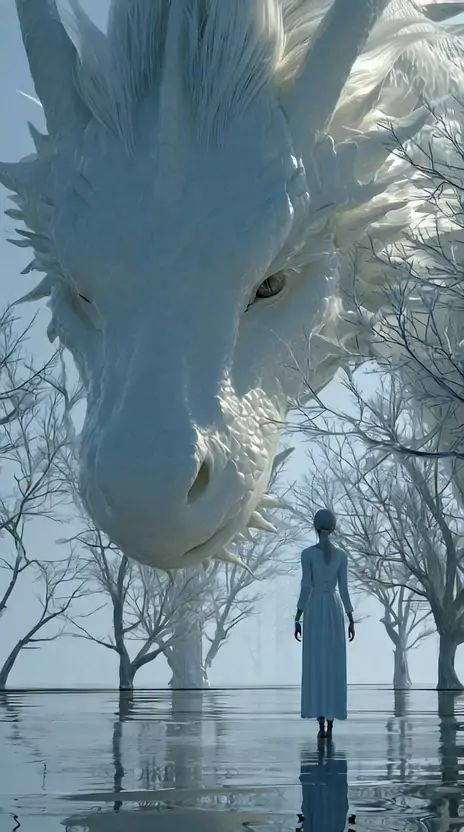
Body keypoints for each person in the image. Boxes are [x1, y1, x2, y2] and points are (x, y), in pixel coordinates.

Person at [294, 508, 355, 739]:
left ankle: (321, 723)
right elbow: (344, 589)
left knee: (316, 664)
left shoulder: (307, 554)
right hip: (334, 608)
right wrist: (350, 616)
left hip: (314, 610)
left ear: (315, 527)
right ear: (333, 527)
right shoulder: (341, 556)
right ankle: (331, 721)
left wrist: (298, 615)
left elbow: (306, 586)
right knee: (333, 664)